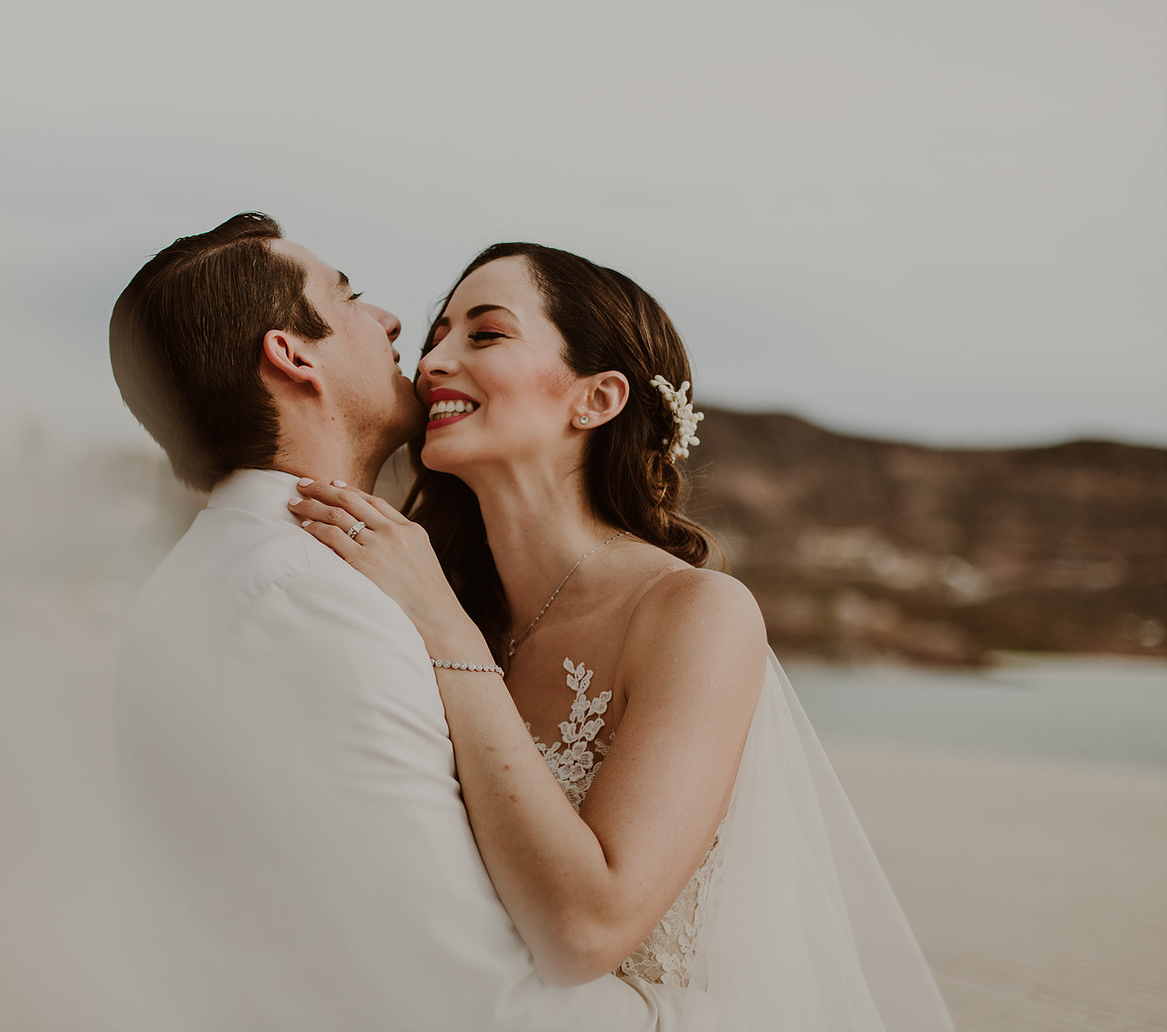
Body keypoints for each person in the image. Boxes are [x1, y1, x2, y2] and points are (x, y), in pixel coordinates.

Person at [291, 243, 957, 1031]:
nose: (433, 360)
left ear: (597, 399)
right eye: (436, 335)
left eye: (485, 334)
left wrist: (442, 625)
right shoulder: (424, 595)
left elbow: (587, 931)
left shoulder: (693, 613)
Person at [107, 214, 705, 1029]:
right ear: (291, 355)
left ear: (598, 400)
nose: (414, 345)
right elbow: (462, 990)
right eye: (351, 298)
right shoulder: (315, 596)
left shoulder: (319, 579)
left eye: (483, 332)